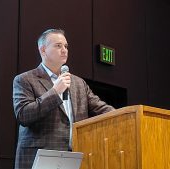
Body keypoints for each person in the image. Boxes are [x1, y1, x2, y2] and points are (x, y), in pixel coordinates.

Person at [12, 29, 115, 169]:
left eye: (66, 46)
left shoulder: (78, 83)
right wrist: (55, 92)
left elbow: (101, 108)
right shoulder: (25, 80)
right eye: (58, 46)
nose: (64, 50)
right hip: (40, 157)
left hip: (74, 156)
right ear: (43, 50)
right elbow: (23, 115)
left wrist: (129, 115)